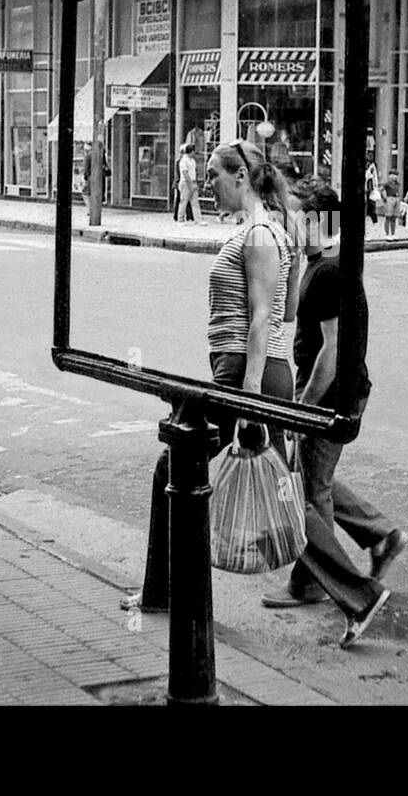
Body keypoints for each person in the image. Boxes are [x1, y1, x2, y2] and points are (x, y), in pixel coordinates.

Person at [124, 139, 302, 614]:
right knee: (279, 481)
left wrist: (248, 401)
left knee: (176, 466)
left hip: (249, 371)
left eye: (213, 176)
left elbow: (266, 317)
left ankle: (160, 594)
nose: (206, 185)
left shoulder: (261, 234)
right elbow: (287, 310)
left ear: (240, 177)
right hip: (253, 369)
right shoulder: (267, 230)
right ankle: (353, 587)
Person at [261, 178, 405, 649]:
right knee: (315, 479)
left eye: (298, 214)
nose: (290, 222)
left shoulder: (326, 272)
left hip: (329, 395)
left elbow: (332, 348)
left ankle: (329, 589)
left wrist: (305, 407)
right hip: (341, 391)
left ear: (320, 219)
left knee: (308, 490)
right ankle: (380, 534)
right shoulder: (322, 265)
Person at [175, 142, 205, 225]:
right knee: (184, 201)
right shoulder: (183, 161)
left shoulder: (193, 160)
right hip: (185, 182)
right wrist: (191, 183)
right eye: (193, 151)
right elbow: (185, 173)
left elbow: (193, 172)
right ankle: (180, 219)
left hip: (192, 181)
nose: (194, 153)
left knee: (195, 202)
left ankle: (198, 220)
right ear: (190, 151)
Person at [380, 170, 401, 240]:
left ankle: (393, 233)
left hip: (396, 198)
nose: (394, 177)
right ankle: (387, 234)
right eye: (392, 175)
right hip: (389, 198)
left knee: (394, 217)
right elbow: (381, 190)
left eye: (395, 175)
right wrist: (384, 197)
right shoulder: (387, 184)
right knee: (388, 217)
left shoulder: (398, 184)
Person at [363, 155, 380, 230]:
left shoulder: (371, 169)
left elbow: (371, 180)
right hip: (368, 191)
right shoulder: (371, 168)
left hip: (369, 191)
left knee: (370, 206)